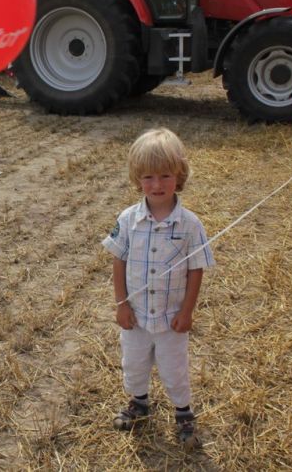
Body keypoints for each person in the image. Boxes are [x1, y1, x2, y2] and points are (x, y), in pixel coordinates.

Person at [101, 127, 214, 449]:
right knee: (133, 363)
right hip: (135, 316)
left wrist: (187, 311)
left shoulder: (190, 225)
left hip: (171, 318)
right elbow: (118, 261)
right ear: (137, 179)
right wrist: (122, 304)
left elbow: (196, 269)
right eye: (148, 177)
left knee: (174, 368)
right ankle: (139, 403)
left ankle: (184, 413)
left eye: (165, 175)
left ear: (180, 175)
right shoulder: (127, 220)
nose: (157, 185)